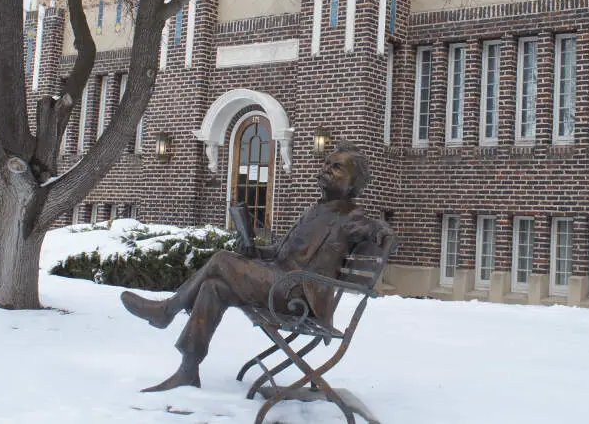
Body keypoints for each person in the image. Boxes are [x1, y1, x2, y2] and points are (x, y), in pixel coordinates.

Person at [120, 142, 390, 392]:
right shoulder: (314, 211)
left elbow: (375, 229)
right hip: (282, 281)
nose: (326, 170)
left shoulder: (351, 217)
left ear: (354, 182)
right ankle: (188, 370)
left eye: (336, 167)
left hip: (297, 295)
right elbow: (280, 253)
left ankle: (166, 311)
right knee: (214, 288)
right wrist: (253, 249)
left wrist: (380, 230)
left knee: (222, 259)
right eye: (327, 164)